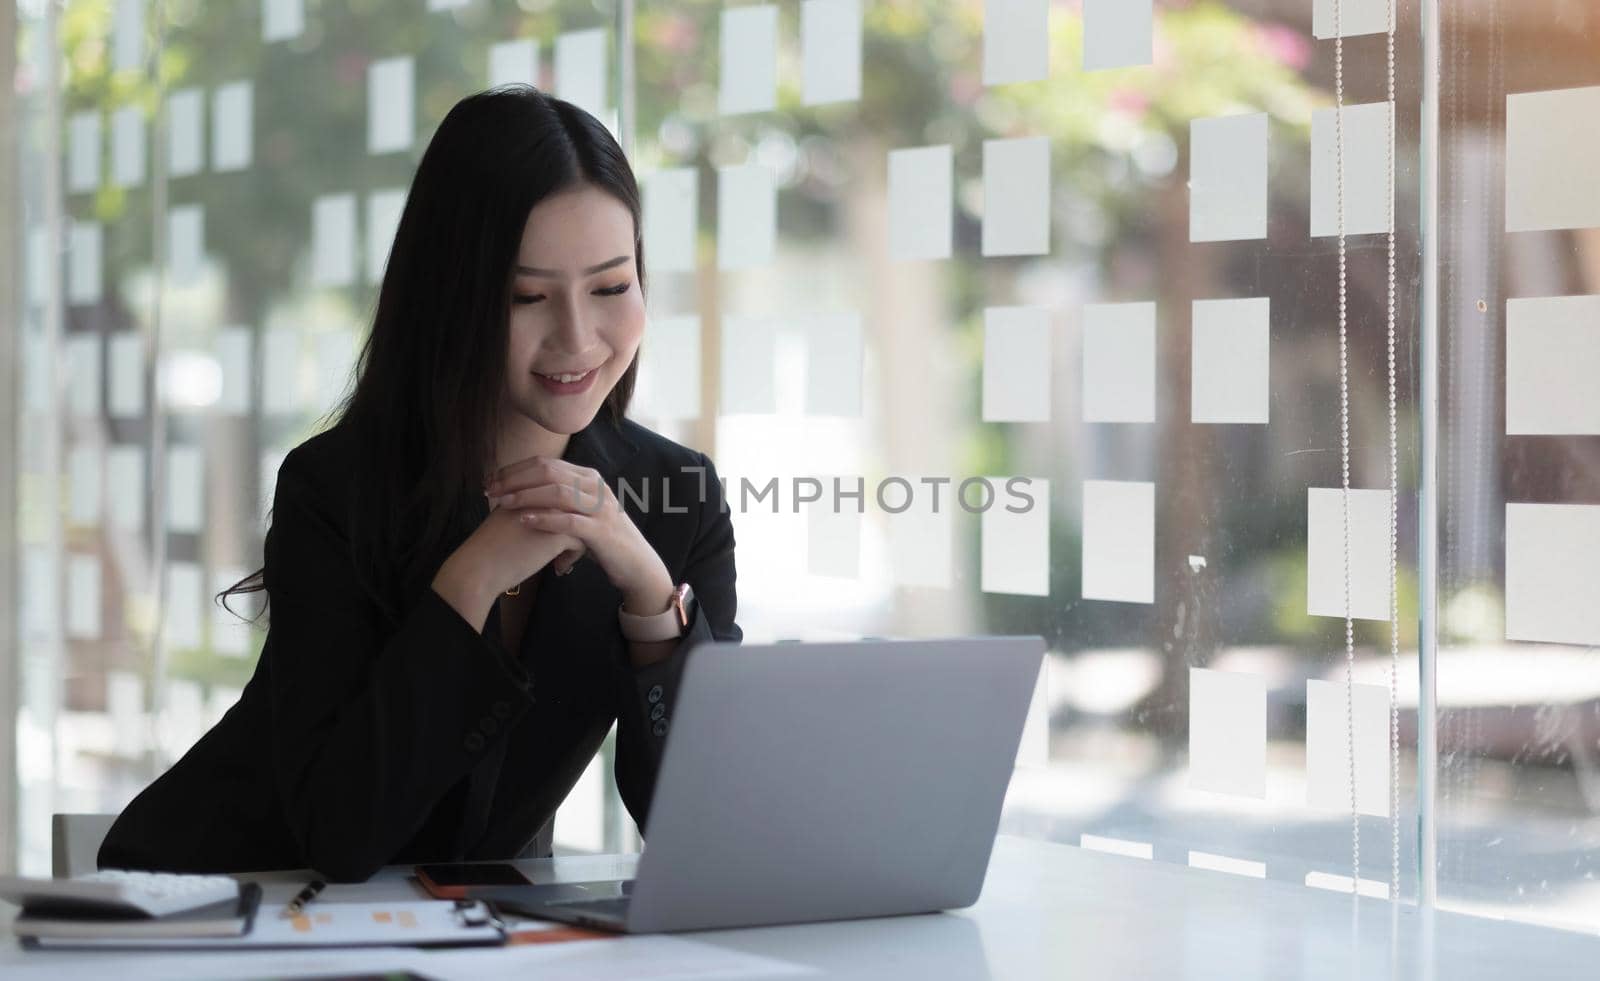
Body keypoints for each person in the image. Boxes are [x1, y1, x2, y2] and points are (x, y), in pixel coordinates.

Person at [97, 86, 741, 882]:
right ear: (454, 299)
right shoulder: (334, 490)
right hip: (216, 908)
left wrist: (648, 591)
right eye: (526, 297)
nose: (577, 337)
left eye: (611, 287)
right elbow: (342, 835)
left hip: (460, 935)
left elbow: (710, 830)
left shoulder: (675, 498)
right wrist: (472, 575)